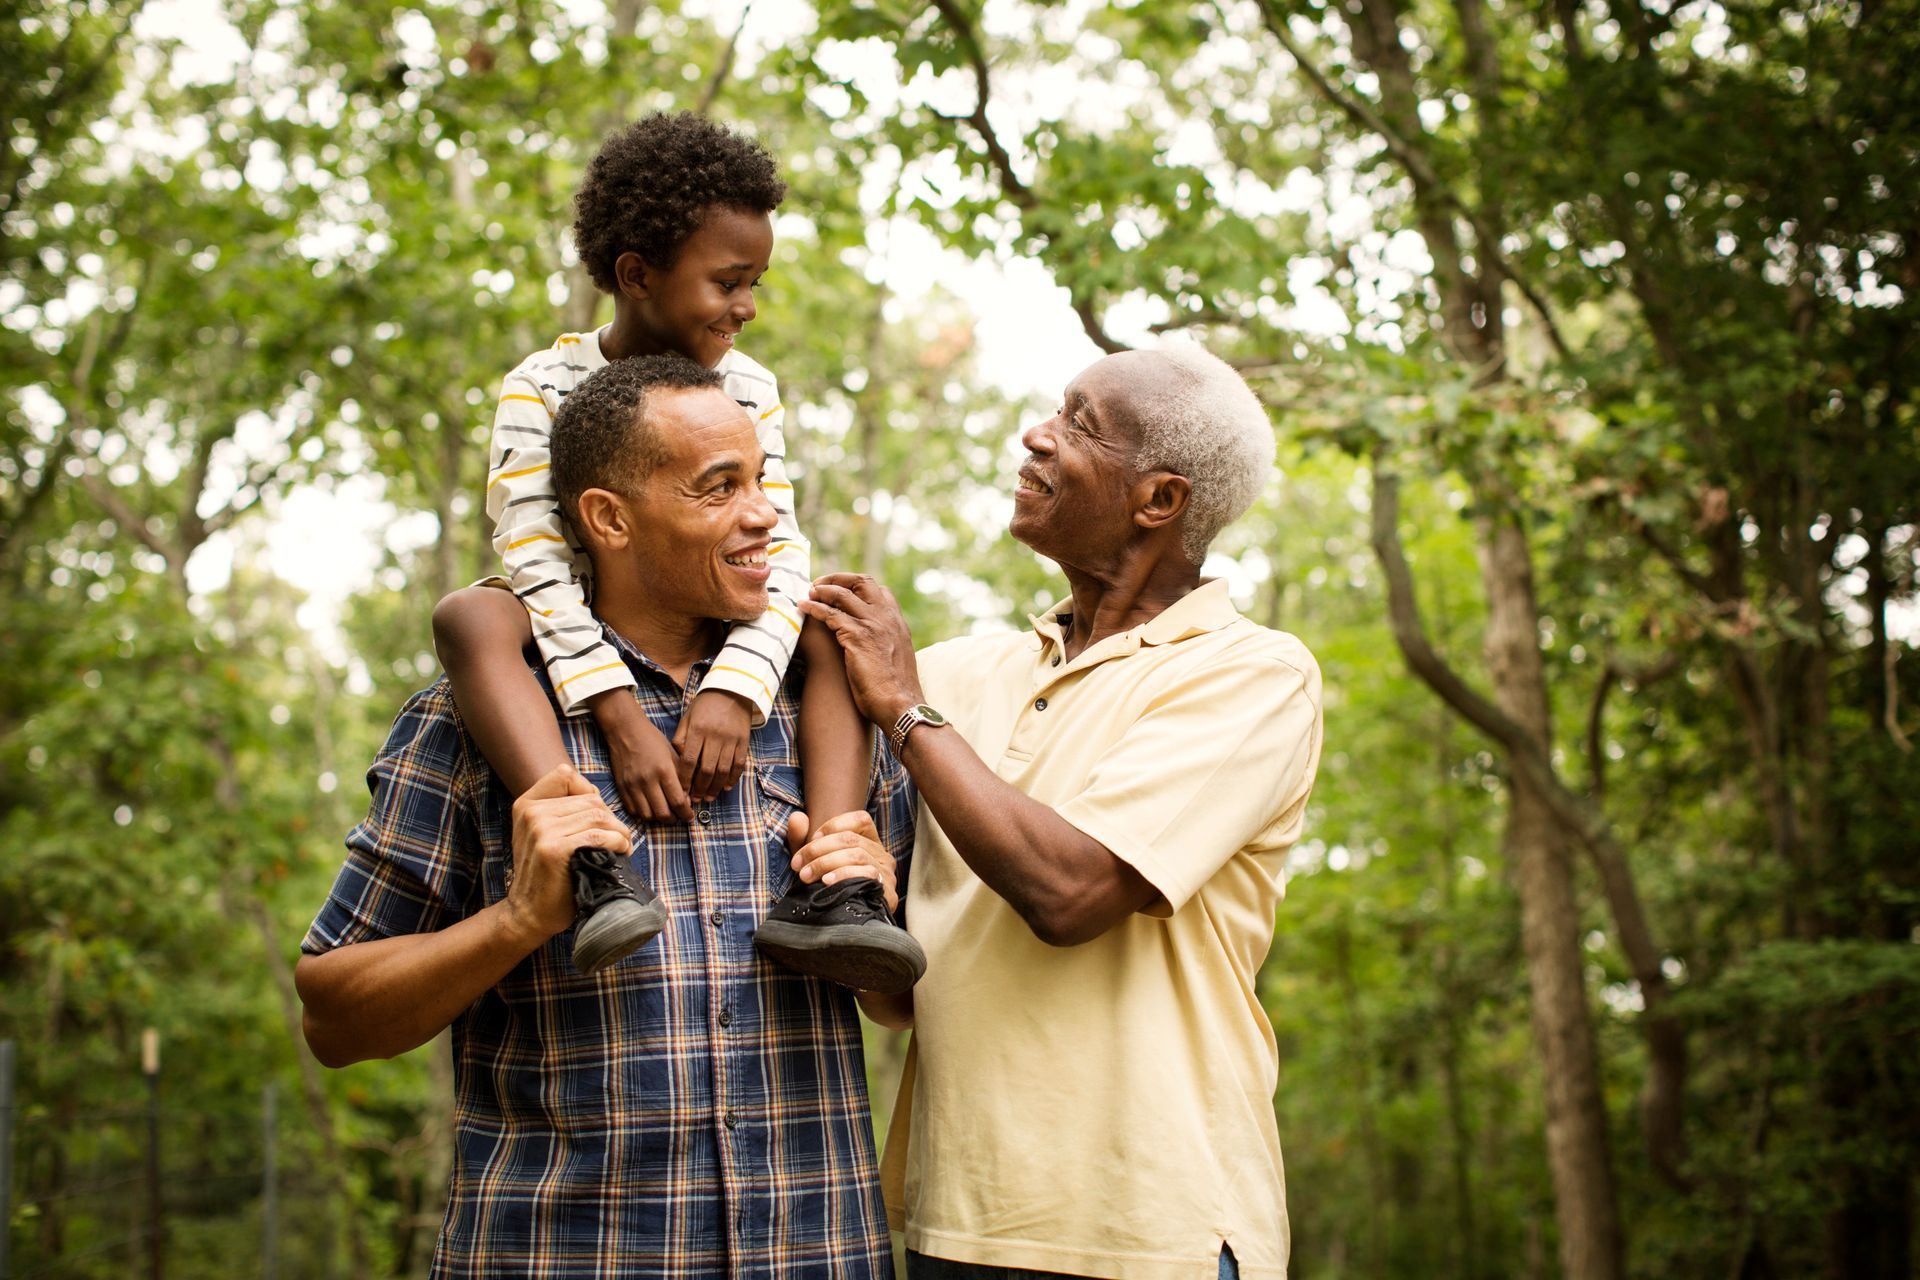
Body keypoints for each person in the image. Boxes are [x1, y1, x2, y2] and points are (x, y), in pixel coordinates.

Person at [296, 355, 915, 1278]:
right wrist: (517, 921)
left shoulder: (828, 718)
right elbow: (333, 1018)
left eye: (758, 481)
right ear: (610, 519)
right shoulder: (480, 720)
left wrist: (879, 900)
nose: (763, 515)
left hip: (821, 1255)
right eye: (718, 489)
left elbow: (901, 1005)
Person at [803, 347, 1324, 1280]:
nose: (1037, 435)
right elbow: (898, 994)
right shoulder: (962, 676)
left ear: (1159, 500)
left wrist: (903, 708)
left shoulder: (1251, 674)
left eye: (1081, 423)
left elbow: (1070, 891)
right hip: (954, 1219)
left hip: (1149, 1228)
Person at [431, 111, 921, 990]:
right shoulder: (541, 386)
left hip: (717, 616)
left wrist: (736, 691)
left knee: (829, 617)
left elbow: (779, 547)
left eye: (756, 281)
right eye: (728, 281)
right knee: (472, 613)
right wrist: (616, 713)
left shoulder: (748, 385)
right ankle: (587, 864)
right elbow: (536, 553)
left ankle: (835, 886)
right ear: (636, 275)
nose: (747, 306)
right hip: (579, 623)